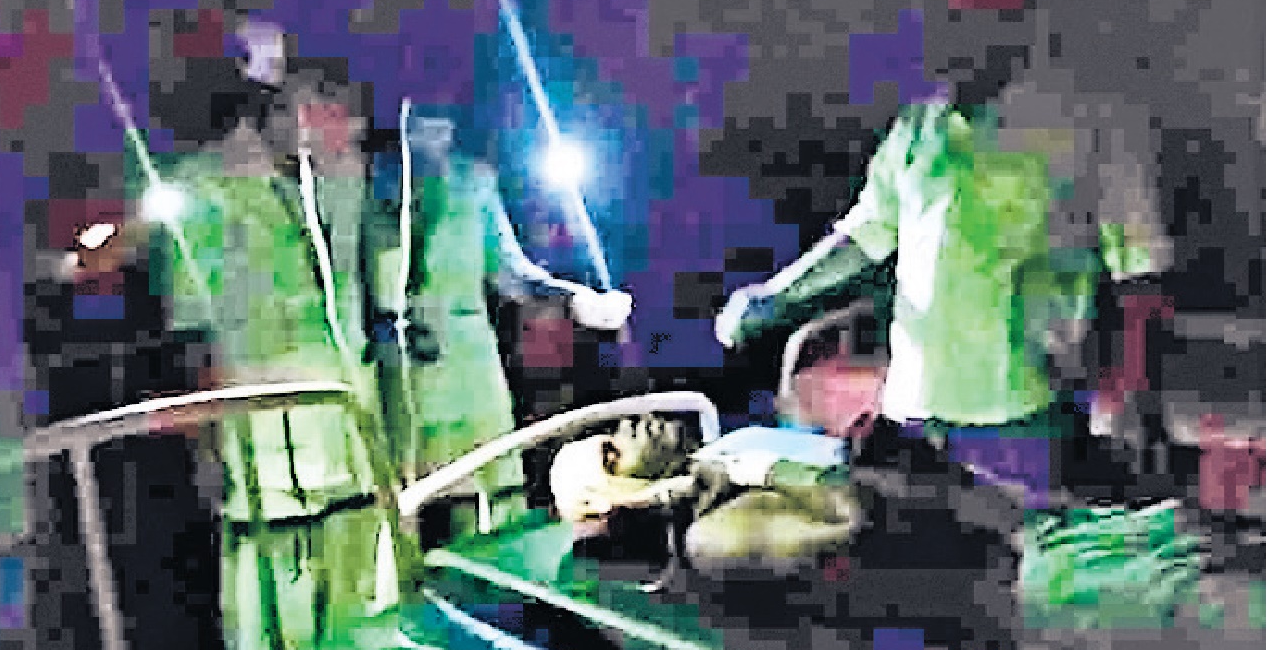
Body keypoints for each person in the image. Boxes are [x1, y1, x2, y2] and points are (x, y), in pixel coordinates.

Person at [714, 69, 1175, 527]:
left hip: (1021, 413)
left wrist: (1127, 393)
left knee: (1020, 553)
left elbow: (1140, 273)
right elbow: (867, 232)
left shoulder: (1088, 121)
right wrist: (777, 294)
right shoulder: (919, 125)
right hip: (912, 411)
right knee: (912, 552)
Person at [83, 21, 407, 650]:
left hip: (359, 453)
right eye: (320, 98)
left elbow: (376, 307)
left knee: (371, 641)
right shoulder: (209, 189)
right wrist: (206, 452)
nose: (342, 117)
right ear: (274, 103)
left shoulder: (345, 176)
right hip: (270, 476)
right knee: (273, 645)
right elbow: (194, 336)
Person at [366, 106, 633, 544]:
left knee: (491, 496)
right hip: (401, 372)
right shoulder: (368, 178)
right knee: (408, 503)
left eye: (441, 120)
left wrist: (576, 300)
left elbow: (510, 271)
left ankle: (499, 582)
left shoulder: (474, 182)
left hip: (469, 366)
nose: (434, 131)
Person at [549, 414, 859, 567]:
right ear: (621, 501)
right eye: (611, 456)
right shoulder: (715, 536)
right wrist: (768, 471)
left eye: (612, 432)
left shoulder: (734, 448)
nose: (630, 426)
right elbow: (859, 522)